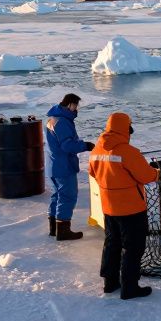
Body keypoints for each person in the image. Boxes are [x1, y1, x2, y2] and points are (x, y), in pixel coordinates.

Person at [88, 112, 160, 300]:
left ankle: (109, 283)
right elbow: (147, 176)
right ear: (125, 128)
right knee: (133, 247)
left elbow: (92, 173)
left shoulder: (97, 149)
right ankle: (130, 287)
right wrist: (156, 173)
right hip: (131, 209)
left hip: (109, 208)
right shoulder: (128, 152)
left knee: (112, 244)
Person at [44, 93, 94, 241]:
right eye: (76, 106)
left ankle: (54, 228)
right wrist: (85, 145)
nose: (76, 109)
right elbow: (67, 145)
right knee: (67, 196)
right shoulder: (62, 121)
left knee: (57, 196)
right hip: (63, 165)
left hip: (52, 164)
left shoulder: (53, 119)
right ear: (70, 104)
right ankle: (63, 231)